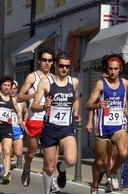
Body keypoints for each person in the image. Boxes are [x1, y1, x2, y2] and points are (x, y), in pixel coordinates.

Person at [31, 51, 81, 194]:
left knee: (71, 160)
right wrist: (43, 106)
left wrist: (76, 112)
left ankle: (62, 168)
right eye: (61, 66)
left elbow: (76, 98)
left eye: (67, 66)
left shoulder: (74, 82)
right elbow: (34, 106)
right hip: (50, 129)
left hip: (66, 128)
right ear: (56, 66)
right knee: (49, 166)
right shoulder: (46, 83)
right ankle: (47, 191)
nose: (64, 69)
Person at [18, 48, 60, 192]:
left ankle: (52, 180)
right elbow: (19, 97)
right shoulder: (32, 77)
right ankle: (27, 167)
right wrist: (33, 95)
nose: (47, 63)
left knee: (53, 156)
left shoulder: (56, 78)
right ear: (39, 61)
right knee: (31, 152)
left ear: (53, 62)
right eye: (44, 60)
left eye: (50, 60)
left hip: (51, 120)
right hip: (35, 118)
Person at [85, 54, 128, 193]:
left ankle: (114, 172)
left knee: (123, 152)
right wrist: (98, 106)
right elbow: (88, 105)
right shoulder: (101, 84)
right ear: (107, 69)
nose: (113, 72)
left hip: (119, 126)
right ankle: (95, 185)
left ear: (120, 69)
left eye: (116, 69)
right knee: (99, 161)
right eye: (110, 69)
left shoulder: (125, 83)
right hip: (103, 128)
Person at [0, 75, 23, 184]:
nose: (7, 87)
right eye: (4, 85)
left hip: (7, 127)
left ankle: (6, 174)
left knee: (7, 151)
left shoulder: (13, 99)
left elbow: (18, 110)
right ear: (1, 86)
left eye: (9, 85)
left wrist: (20, 118)